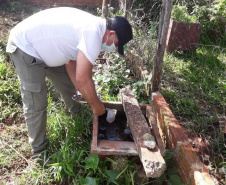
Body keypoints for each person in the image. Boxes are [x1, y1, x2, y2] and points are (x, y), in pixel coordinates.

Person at [6, 7, 133, 156]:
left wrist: (80, 89)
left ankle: (78, 115)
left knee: (69, 86)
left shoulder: (94, 26)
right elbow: (84, 79)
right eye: (116, 44)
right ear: (111, 34)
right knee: (36, 102)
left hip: (46, 49)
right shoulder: (93, 34)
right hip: (26, 48)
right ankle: (39, 152)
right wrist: (98, 107)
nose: (113, 48)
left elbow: (70, 63)